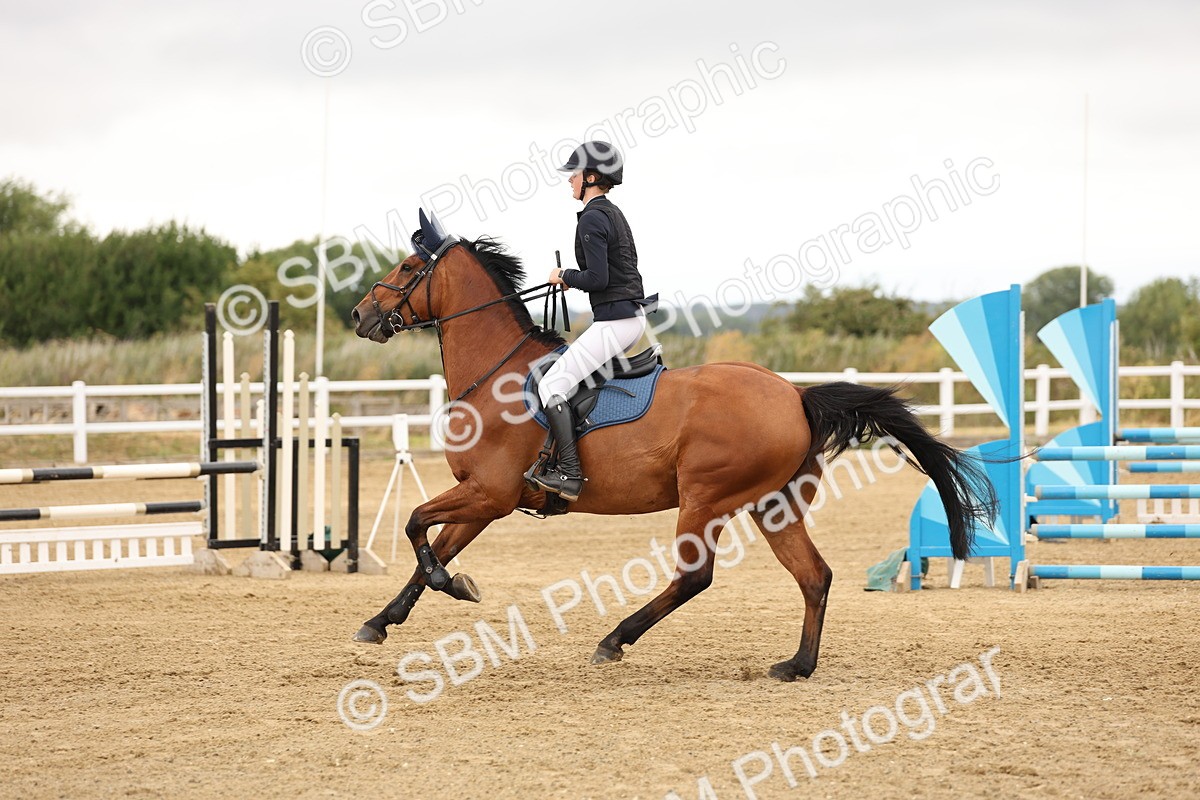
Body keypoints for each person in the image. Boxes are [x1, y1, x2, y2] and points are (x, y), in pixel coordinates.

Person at [525, 141, 655, 502]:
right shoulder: (611, 213)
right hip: (626, 317)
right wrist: (571, 278)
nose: (570, 180)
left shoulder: (593, 217)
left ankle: (570, 473)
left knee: (551, 386)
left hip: (616, 321)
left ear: (591, 177)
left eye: (575, 174)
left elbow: (597, 279)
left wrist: (564, 274)